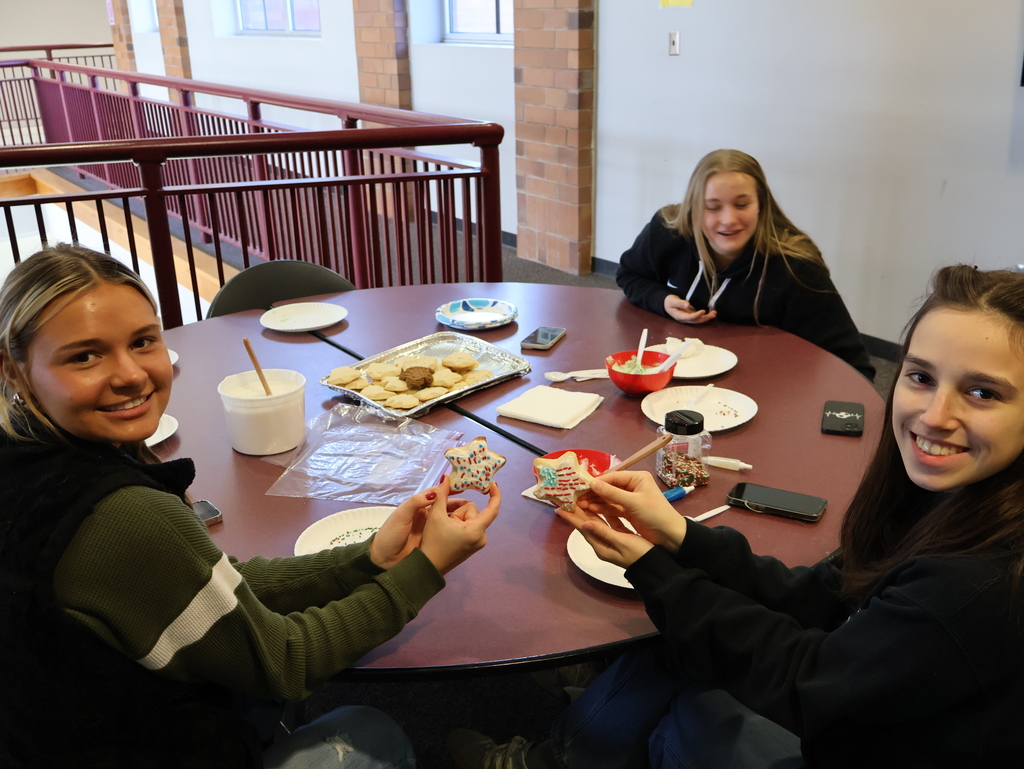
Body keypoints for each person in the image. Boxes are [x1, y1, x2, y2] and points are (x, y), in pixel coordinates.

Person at [449, 263, 1024, 768]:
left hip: (862, 742)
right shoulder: (945, 497)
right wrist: (677, 534)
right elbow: (825, 595)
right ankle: (577, 740)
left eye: (983, 393)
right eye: (921, 377)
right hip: (865, 701)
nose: (935, 415)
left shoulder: (975, 584)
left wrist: (655, 570)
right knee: (682, 631)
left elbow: (808, 683)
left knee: (689, 693)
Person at [0, 243, 502, 769]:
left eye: (143, 341)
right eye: (84, 355)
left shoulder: (31, 463)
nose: (129, 374)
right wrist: (425, 568)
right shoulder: (122, 516)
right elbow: (286, 662)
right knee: (371, 732)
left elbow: (217, 587)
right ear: (12, 370)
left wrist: (369, 557)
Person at [616, 149, 875, 380]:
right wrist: (661, 299)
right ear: (694, 209)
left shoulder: (797, 268)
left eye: (741, 204)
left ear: (761, 204)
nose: (728, 220)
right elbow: (630, 274)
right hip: (679, 376)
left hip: (767, 386)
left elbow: (851, 365)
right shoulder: (668, 229)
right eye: (712, 207)